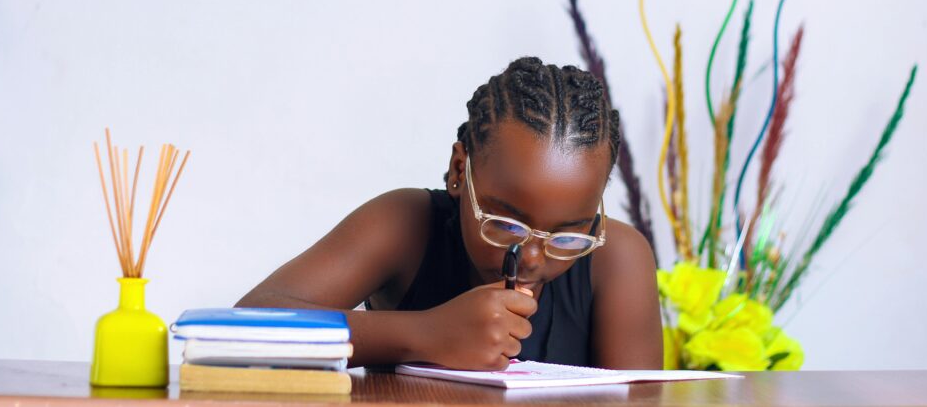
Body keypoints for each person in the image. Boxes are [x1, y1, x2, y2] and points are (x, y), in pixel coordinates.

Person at [238, 56, 662, 370]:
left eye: (569, 237)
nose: (532, 258)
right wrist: (424, 334)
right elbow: (244, 329)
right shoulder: (403, 224)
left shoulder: (618, 259)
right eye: (505, 224)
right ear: (461, 170)